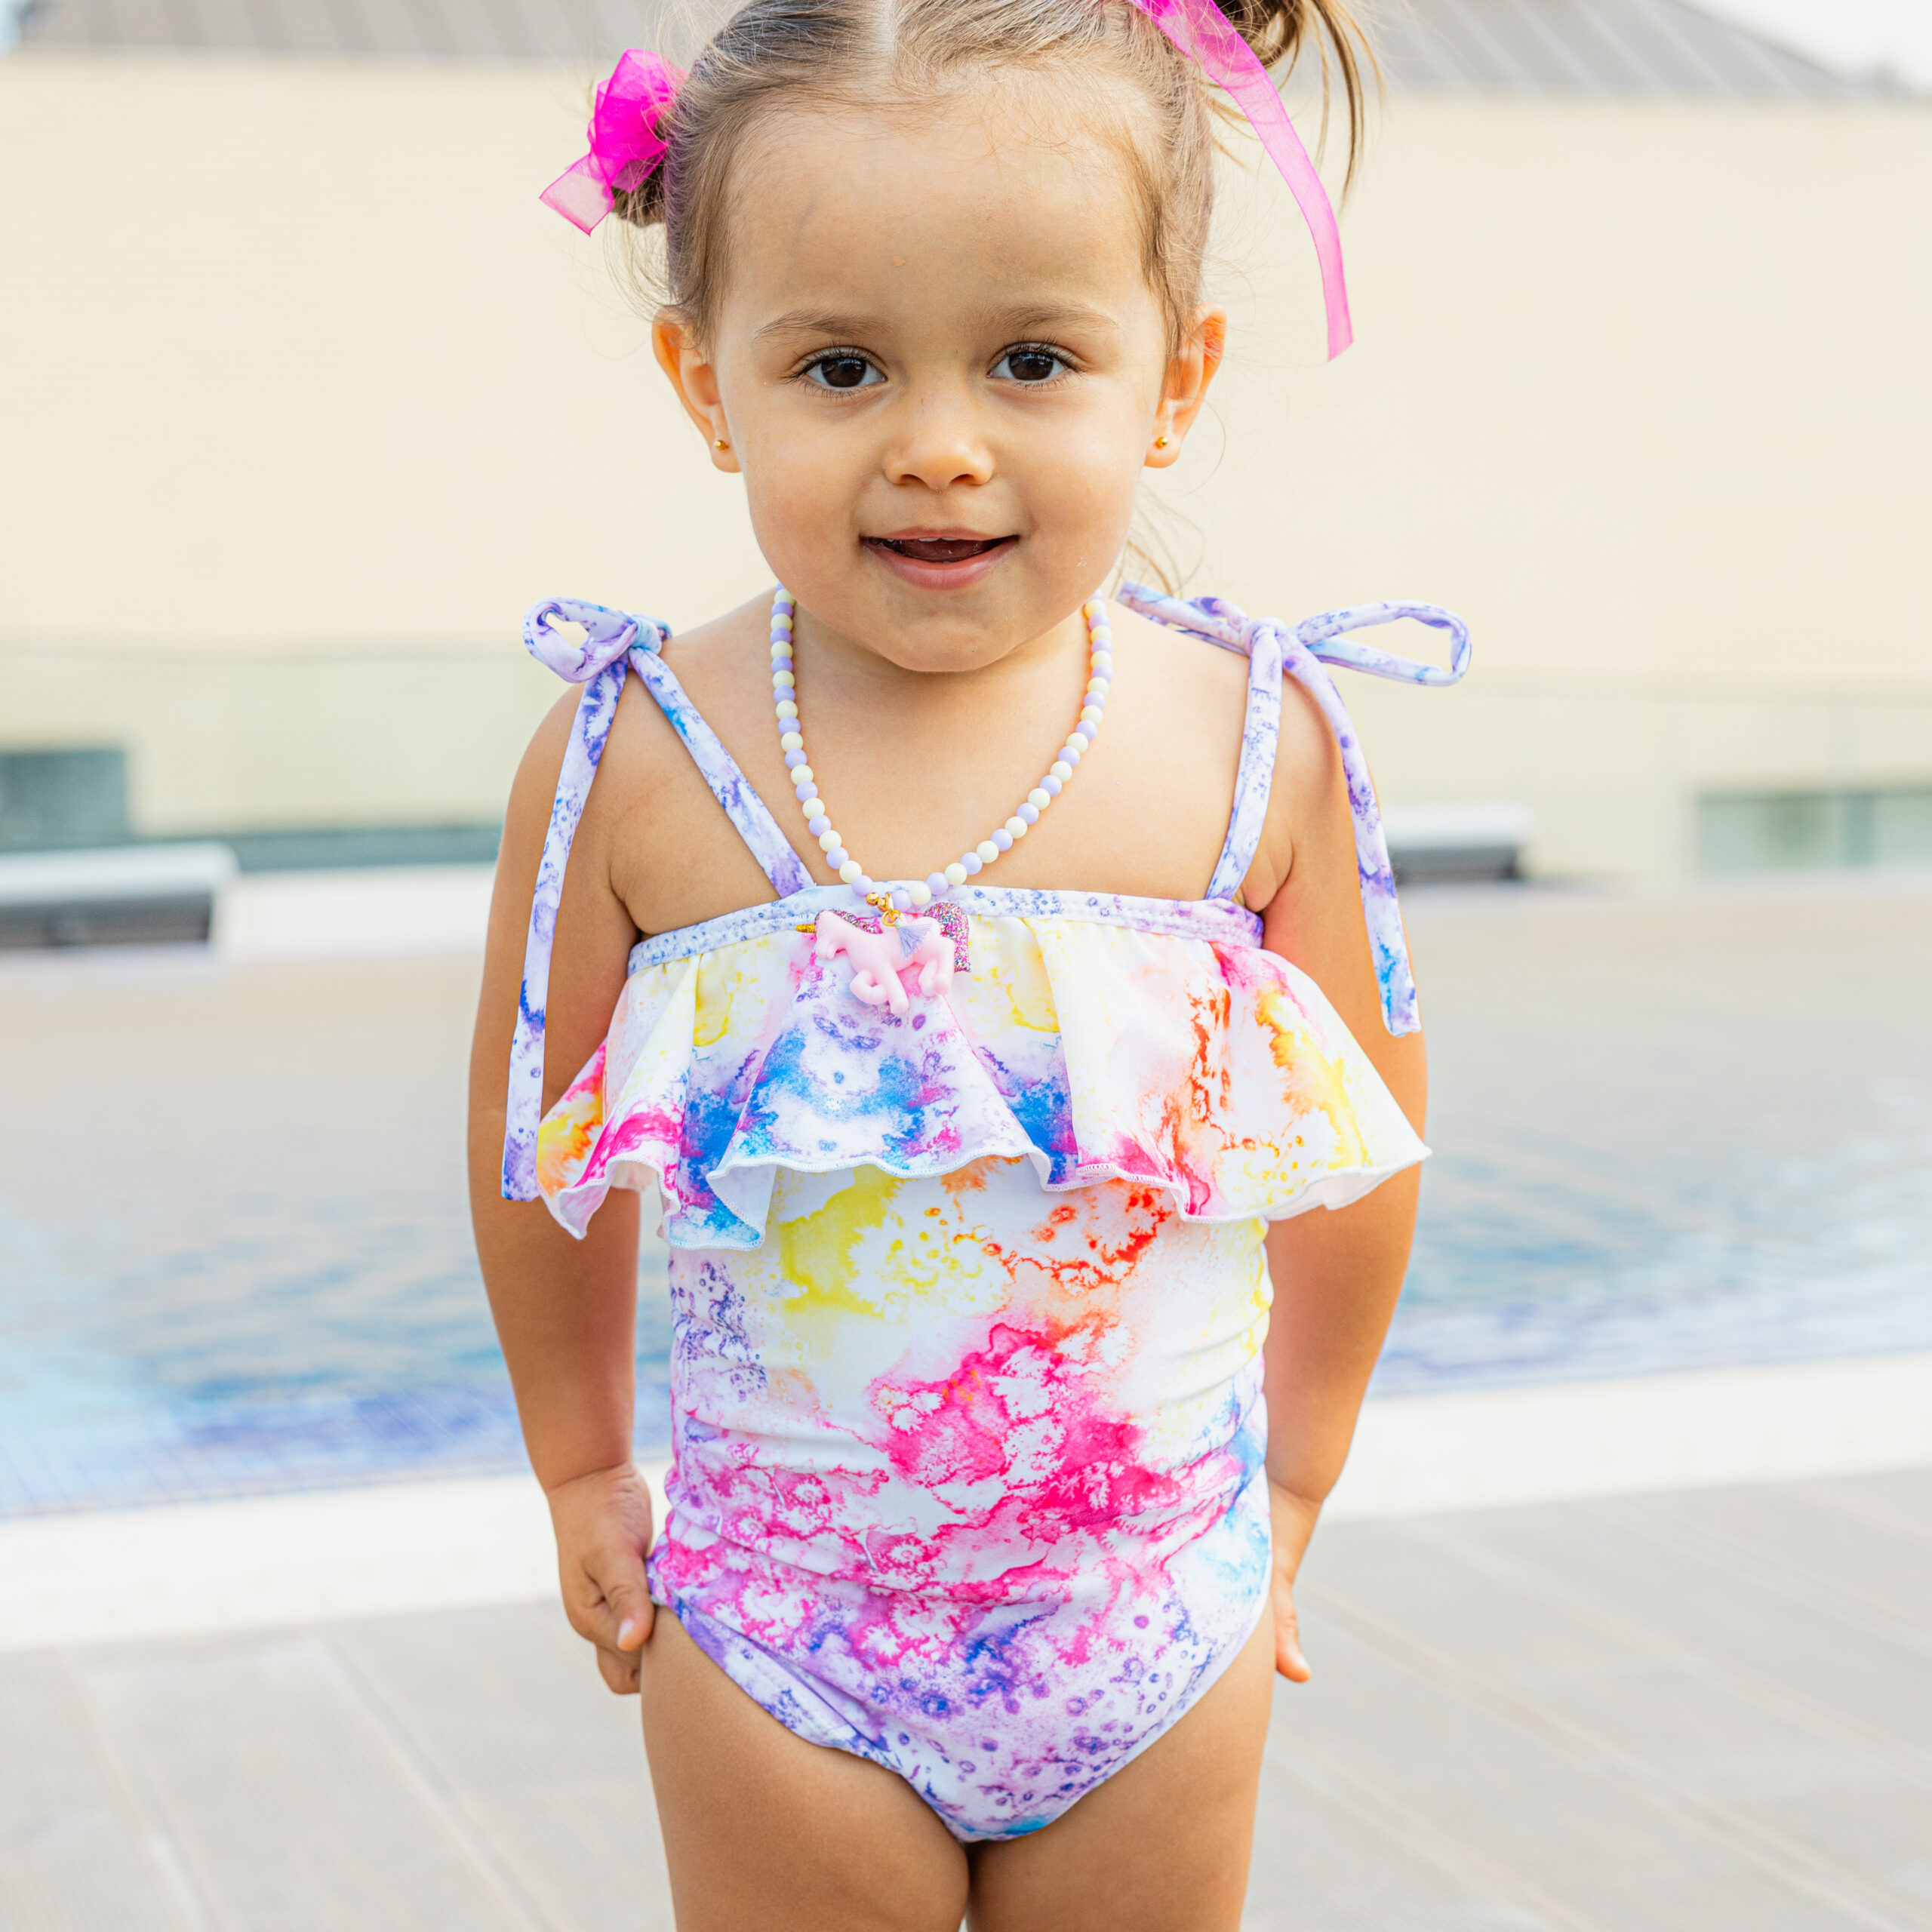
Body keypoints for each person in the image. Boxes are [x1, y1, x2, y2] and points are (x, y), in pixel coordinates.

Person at [469, 2, 1468, 1925]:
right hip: (779, 1631)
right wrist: (581, 1462)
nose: (938, 446)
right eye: (840, 366)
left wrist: (1296, 1478)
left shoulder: (1248, 742)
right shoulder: (640, 755)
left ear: (1172, 380)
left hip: (1149, 1617)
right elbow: (533, 1148)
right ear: (705, 384)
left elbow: (1361, 1154)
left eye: (1031, 359)